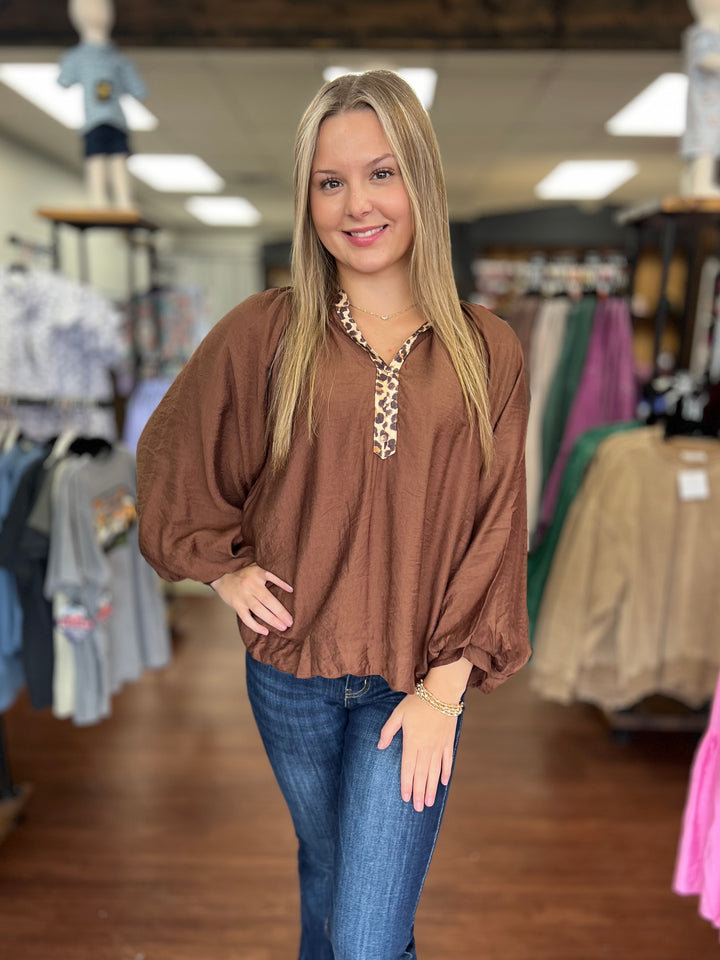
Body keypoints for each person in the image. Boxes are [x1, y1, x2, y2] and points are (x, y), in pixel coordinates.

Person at [136, 69, 530, 960]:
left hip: (417, 684)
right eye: (330, 181)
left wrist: (447, 686)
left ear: (420, 181)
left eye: (381, 173)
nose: (357, 203)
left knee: (364, 935)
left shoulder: (486, 349)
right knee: (328, 870)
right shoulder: (264, 332)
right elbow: (171, 454)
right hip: (292, 676)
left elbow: (498, 525)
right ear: (308, 198)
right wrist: (221, 566)